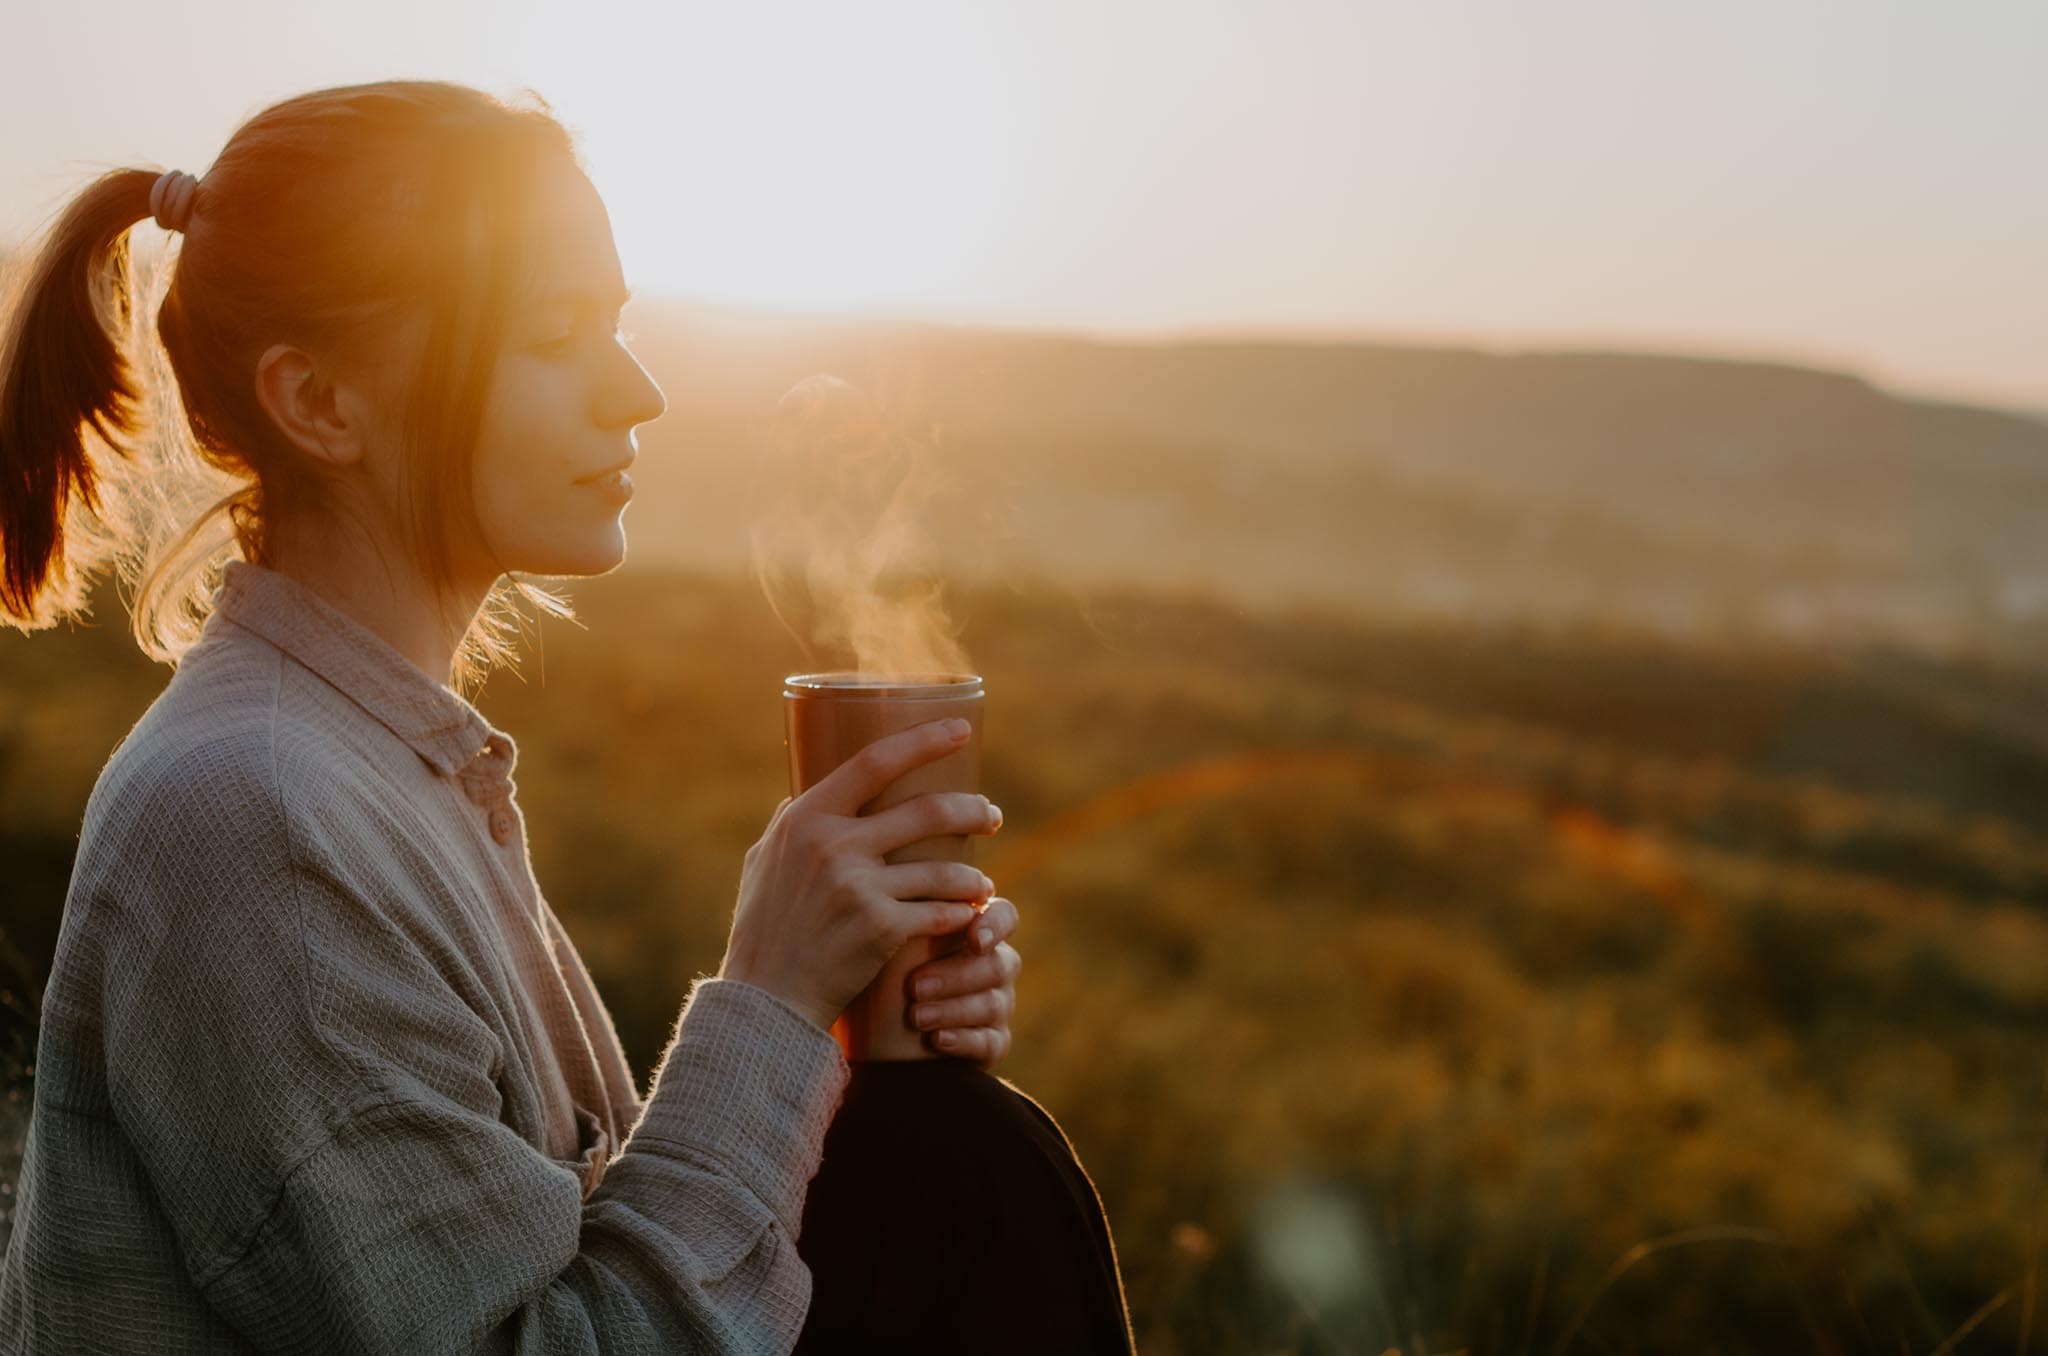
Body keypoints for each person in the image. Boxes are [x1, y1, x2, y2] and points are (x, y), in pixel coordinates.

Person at [0, 79, 1026, 1352]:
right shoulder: (264, 823)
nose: (636, 392)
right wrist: (762, 992)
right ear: (320, 404)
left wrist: (831, 1034)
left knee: (975, 1167)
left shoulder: (378, 767)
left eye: (617, 324)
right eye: (553, 336)